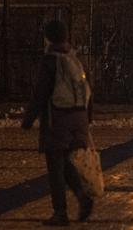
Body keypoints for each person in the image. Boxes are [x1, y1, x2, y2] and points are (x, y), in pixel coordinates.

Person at [21, 20, 94, 226]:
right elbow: (87, 88)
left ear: (48, 37)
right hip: (78, 118)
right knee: (66, 163)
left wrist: (28, 119)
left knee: (55, 167)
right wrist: (88, 118)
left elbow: (40, 94)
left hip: (58, 119)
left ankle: (60, 212)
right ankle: (82, 196)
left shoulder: (50, 61)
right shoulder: (75, 58)